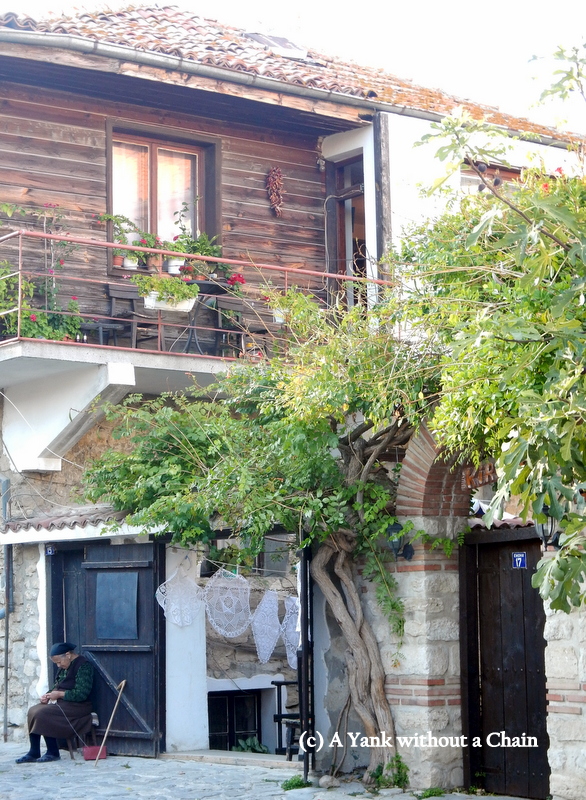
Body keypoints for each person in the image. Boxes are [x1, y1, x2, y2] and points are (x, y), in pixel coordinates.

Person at [16, 641, 94, 763]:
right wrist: (48, 695)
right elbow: (57, 686)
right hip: (64, 703)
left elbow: (81, 694)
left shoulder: (83, 666)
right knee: (33, 710)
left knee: (43, 714)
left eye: (59, 662)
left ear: (68, 655)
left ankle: (53, 751)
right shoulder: (64, 667)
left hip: (78, 706)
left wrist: (60, 694)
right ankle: (34, 751)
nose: (58, 665)